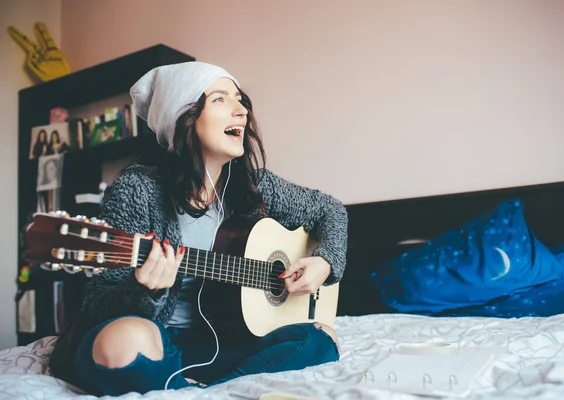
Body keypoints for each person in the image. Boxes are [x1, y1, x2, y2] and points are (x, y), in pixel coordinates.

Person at [48, 61, 348, 396]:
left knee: (321, 337)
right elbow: (99, 304)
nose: (241, 111)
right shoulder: (138, 188)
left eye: (240, 100)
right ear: (183, 118)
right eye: (221, 99)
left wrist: (324, 262)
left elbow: (330, 211)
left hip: (219, 339)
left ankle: (188, 391)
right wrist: (143, 290)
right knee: (124, 339)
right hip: (157, 338)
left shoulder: (254, 185)